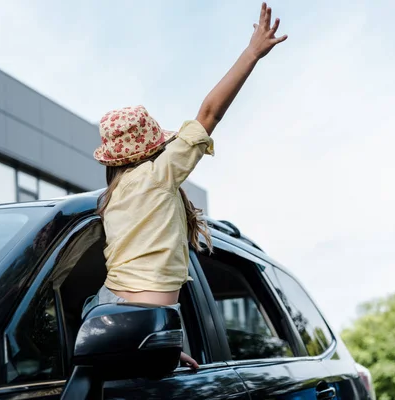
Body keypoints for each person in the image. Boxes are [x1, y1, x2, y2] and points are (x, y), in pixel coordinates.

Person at [85, 2, 287, 369]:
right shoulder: (157, 176)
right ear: (153, 148)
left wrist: (162, 347)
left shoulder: (109, 200)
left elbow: (133, 290)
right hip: (143, 325)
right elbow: (209, 113)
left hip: (105, 312)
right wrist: (251, 53)